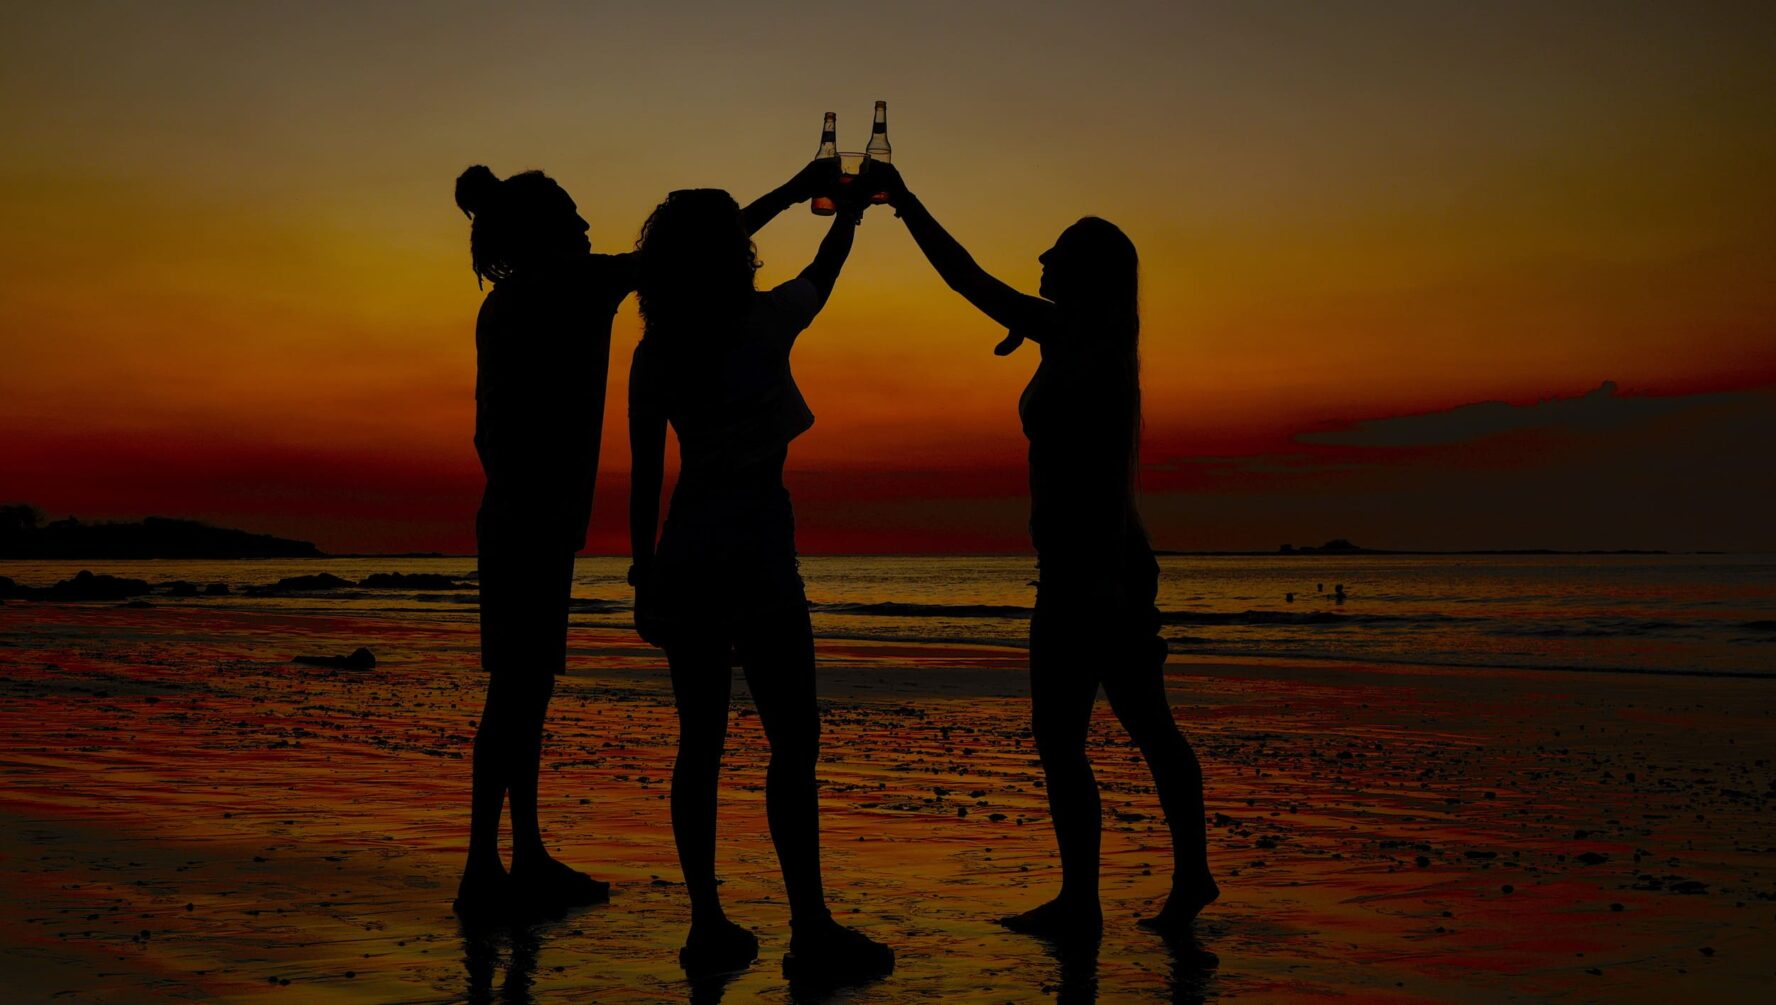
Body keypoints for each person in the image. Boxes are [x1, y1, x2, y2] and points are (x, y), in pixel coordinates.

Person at [872, 162, 1219, 942]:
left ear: (1084, 274)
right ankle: (1167, 877)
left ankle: (1090, 900)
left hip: (1092, 568)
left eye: (1054, 254)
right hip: (1099, 562)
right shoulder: (1082, 340)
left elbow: (967, 279)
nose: (1040, 261)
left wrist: (906, 204)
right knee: (1137, 724)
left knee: (1073, 736)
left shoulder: (1078, 336)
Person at [627, 170, 895, 978]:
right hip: (758, 551)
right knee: (794, 741)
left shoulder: (656, 351)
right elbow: (825, 271)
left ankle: (707, 921)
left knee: (700, 744)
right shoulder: (763, 319)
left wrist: (643, 575)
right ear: (735, 254)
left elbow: (644, 478)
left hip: (688, 548)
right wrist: (844, 213)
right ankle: (809, 925)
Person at [452, 165, 633, 917]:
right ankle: (487, 866)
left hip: (515, 517)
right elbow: (683, 254)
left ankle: (512, 856)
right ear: (548, 229)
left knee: (521, 692)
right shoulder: (570, 286)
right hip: (533, 521)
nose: (588, 223)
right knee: (518, 693)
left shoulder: (504, 304)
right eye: (573, 213)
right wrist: (793, 194)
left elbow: (484, 430)